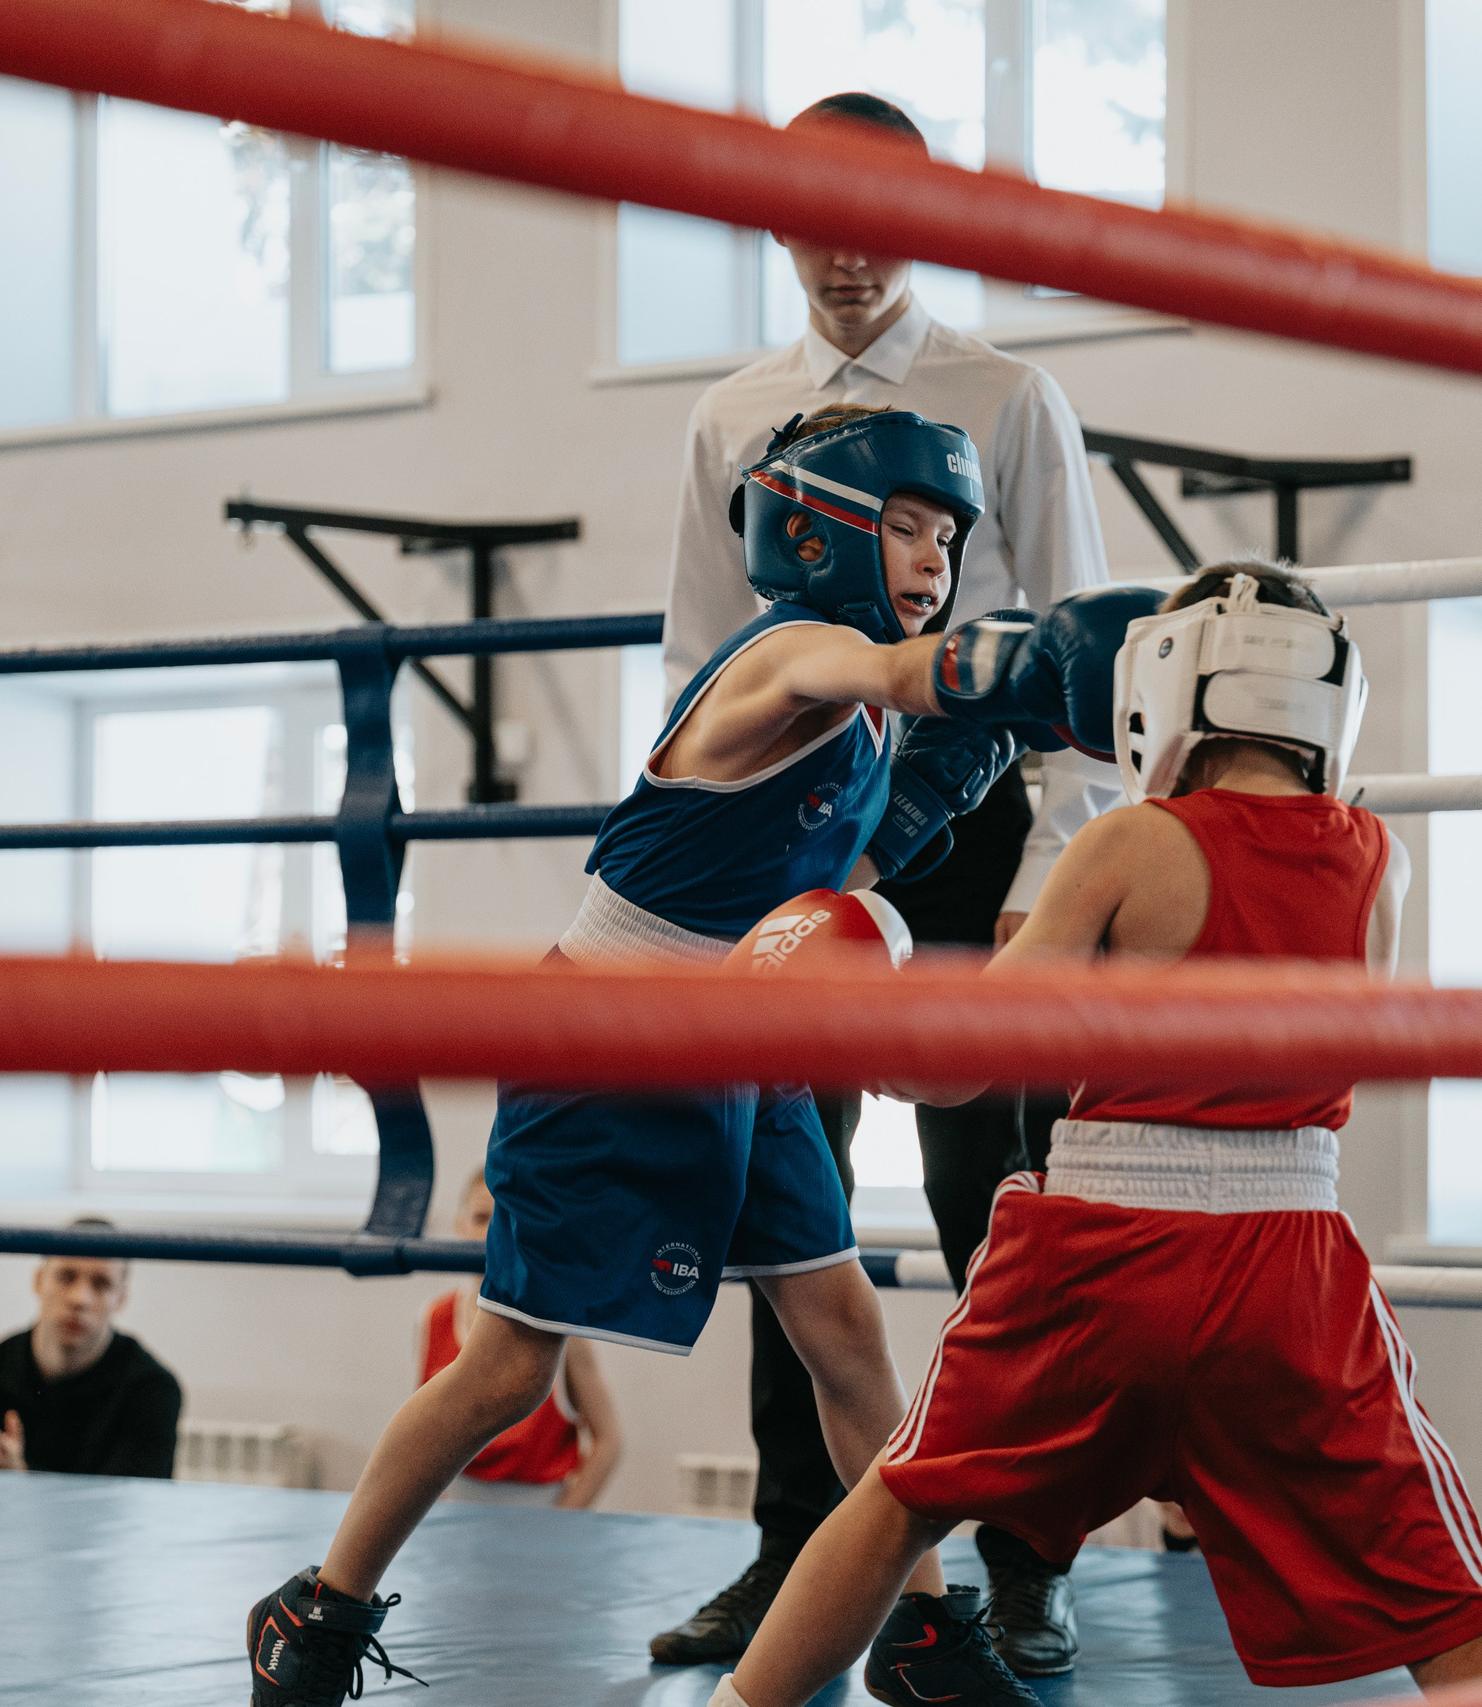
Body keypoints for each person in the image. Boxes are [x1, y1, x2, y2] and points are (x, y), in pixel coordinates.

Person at [242, 404, 1138, 1707]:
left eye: (947, 531)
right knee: (509, 1364)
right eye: (902, 522)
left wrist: (955, 775)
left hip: (749, 1028)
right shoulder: (784, 657)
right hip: (610, 1034)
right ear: (817, 522)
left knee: (842, 1331)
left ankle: (923, 1629)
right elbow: (906, 672)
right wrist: (1032, 668)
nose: (932, 554)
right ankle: (320, 1603)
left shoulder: (870, 711)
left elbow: (836, 871)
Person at [715, 563, 1482, 1707]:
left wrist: (843, 1019)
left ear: (1165, 681)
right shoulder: (1374, 857)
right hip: (1285, 1265)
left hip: (1095, 1254)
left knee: (903, 1497)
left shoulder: (1125, 846)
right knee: (1446, 1599)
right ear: (1332, 693)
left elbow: (961, 1069)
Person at [654, 88, 1117, 1680]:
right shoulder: (732, 411)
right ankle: (800, 1555)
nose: (846, 252)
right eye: (814, 215)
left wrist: (1054, 881)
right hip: (796, 829)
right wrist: (707, 876)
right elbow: (701, 654)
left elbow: (1080, 643)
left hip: (976, 833)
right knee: (783, 1190)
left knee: (994, 1200)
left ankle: (1025, 1550)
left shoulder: (1007, 393)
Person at [420, 1171, 622, 1508]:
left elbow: (610, 1440)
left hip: (541, 1512)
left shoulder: (560, 1327)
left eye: (507, 1218)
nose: (492, 1233)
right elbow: (424, 1436)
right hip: (454, 1512)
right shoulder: (433, 1318)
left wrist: (561, 1522)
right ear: (459, 1225)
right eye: (481, 1218)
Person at [0, 1220, 182, 1480]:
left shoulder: (152, 1390)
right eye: (66, 1277)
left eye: (101, 1284)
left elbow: (130, 1510)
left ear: (121, 1298)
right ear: (38, 1281)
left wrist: (20, 1482)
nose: (79, 1299)